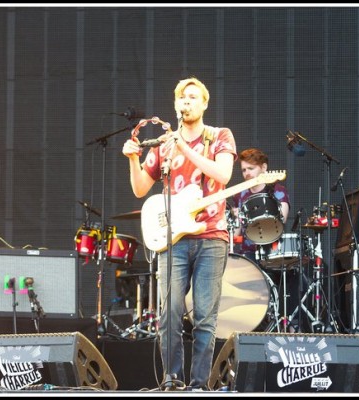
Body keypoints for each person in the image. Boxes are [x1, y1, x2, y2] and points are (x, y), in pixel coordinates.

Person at [122, 76, 236, 391]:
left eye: (192, 97)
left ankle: (199, 385)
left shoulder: (219, 136)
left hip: (211, 237)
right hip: (174, 240)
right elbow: (140, 188)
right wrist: (133, 159)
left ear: (204, 103)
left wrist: (184, 146)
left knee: (204, 317)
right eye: (181, 98)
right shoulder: (163, 145)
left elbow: (223, 174)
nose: (186, 102)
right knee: (169, 313)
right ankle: (172, 380)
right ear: (175, 105)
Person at [231, 148, 290, 262]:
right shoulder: (239, 194)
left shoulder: (277, 191)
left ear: (264, 167)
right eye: (244, 170)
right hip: (247, 254)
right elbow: (236, 232)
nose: (247, 173)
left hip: (272, 252)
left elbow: (282, 220)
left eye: (251, 168)